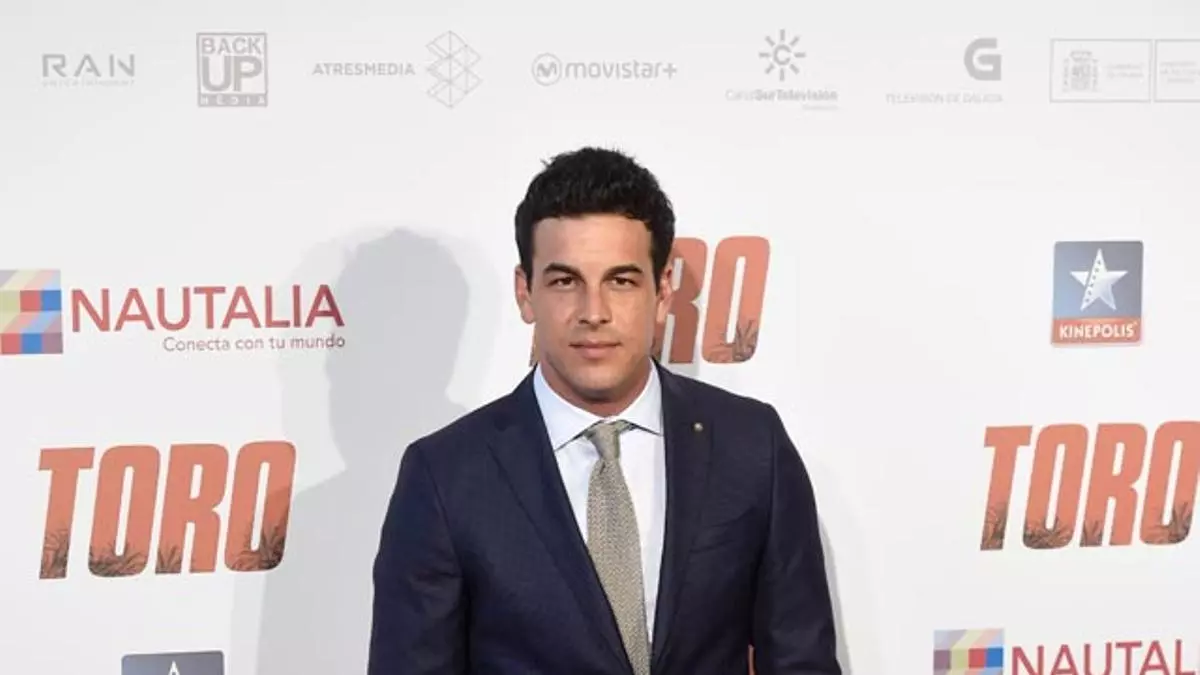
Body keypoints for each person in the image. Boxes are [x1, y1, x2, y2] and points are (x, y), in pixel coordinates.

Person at [367, 147, 842, 675]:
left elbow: (802, 661)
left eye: (621, 280)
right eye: (565, 281)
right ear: (525, 292)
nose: (593, 312)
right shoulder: (445, 477)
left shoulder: (752, 446)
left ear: (663, 291)